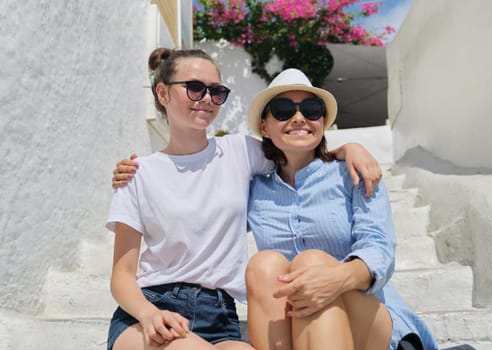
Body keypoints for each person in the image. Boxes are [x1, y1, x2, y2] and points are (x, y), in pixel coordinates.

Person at [106, 48, 382, 350]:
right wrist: (149, 315)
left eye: (217, 91)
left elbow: (295, 147)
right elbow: (121, 276)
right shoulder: (137, 173)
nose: (207, 99)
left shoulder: (240, 151)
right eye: (195, 88)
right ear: (163, 93)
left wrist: (349, 148)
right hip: (150, 308)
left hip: (220, 316)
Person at [244, 68, 439, 350]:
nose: (299, 117)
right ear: (265, 126)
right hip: (291, 327)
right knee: (263, 266)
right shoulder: (254, 189)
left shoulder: (353, 172)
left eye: (311, 109)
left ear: (321, 121)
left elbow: (379, 249)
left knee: (312, 262)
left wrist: (333, 280)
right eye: (283, 109)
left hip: (366, 319)